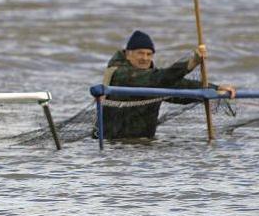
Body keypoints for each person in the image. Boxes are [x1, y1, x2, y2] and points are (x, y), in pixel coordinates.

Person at [99, 30, 236, 140]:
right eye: (140, 53)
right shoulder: (120, 74)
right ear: (128, 54)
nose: (145, 58)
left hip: (143, 144)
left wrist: (215, 89)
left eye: (149, 54)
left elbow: (180, 87)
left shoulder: (155, 79)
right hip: (112, 144)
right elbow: (156, 79)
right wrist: (190, 64)